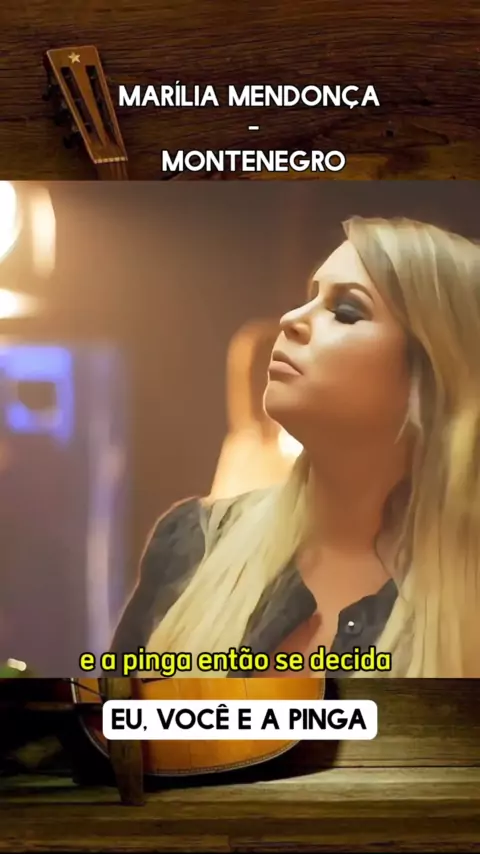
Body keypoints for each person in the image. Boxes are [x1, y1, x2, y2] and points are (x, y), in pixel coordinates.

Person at [111, 216, 480, 678]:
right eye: (311, 297)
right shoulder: (191, 545)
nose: (291, 319)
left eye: (346, 310)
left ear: (433, 378)